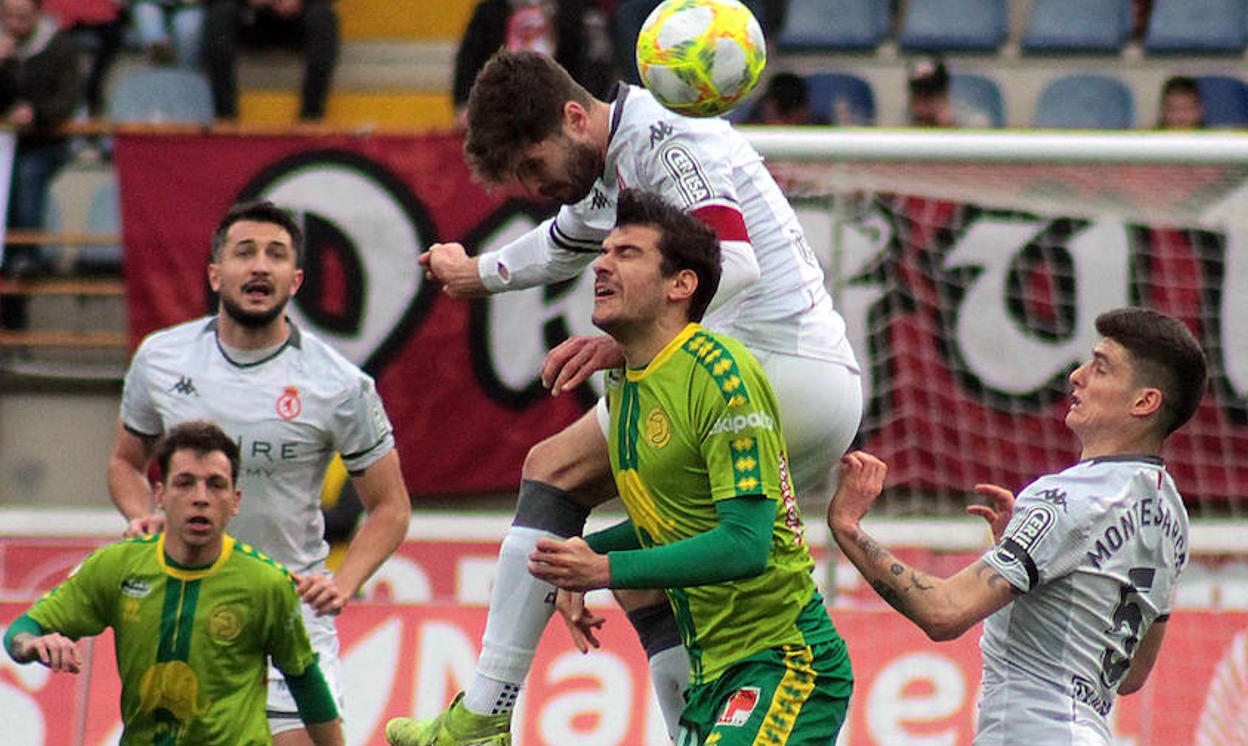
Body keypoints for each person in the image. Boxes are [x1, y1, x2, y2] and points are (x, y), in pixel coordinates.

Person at [388, 48, 863, 744]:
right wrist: (477, 273)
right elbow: (563, 241)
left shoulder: (663, 138)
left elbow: (733, 262)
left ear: (574, 118)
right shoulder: (613, 169)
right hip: (780, 373)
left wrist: (631, 341)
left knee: (551, 472)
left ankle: (484, 712)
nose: (534, 185)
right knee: (645, 569)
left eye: (533, 166)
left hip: (779, 366)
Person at [529, 189, 852, 745]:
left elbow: (745, 544)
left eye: (627, 253)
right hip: (714, 675)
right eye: (604, 250)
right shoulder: (628, 381)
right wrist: (580, 560)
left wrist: (603, 571)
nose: (602, 263)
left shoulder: (721, 374)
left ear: (681, 286)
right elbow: (676, 522)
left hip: (785, 662)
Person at [828, 306, 1207, 746]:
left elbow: (943, 613)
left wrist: (849, 527)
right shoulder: (1170, 514)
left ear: (1144, 402)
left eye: (1101, 368)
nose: (1077, 376)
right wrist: (1030, 558)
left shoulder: (1067, 499)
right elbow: (1131, 674)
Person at [107, 200, 411, 744]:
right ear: (215, 274)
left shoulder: (339, 385)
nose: (260, 267)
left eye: (275, 256)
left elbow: (391, 508)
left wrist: (342, 584)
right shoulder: (161, 359)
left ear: (295, 280)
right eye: (244, 252)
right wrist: (141, 515)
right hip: (184, 610)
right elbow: (126, 463)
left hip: (286, 614)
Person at [7, 420, 346, 746]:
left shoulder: (266, 583)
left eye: (215, 484)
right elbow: (22, 630)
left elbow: (304, 680)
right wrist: (31, 645)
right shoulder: (117, 567)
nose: (201, 497)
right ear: (161, 494)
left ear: (235, 501)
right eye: (185, 483)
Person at [0, 0, 82, 330]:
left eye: (23, 16)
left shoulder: (59, 47)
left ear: (37, 14)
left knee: (28, 176)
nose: (16, 24)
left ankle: (24, 254)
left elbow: (68, 99)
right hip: (4, 145)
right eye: (8, 16)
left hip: (44, 142)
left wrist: (37, 114)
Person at [452, 0, 614, 128]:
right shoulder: (488, 11)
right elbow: (467, 63)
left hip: (568, 112)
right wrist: (465, 104)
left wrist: (585, 107)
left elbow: (598, 63)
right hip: (503, 118)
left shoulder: (580, 6)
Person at [200, 0, 342, 121]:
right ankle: (226, 116)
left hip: (298, 16)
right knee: (220, 15)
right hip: (248, 16)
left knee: (324, 19)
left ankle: (311, 116)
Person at [118, 0, 204, 67]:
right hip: (145, 21)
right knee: (145, 9)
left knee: (189, 20)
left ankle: (186, 66)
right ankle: (160, 51)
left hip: (185, 13)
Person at [907, 55, 991, 129]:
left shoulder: (973, 122)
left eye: (929, 96)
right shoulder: (906, 124)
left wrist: (951, 130)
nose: (921, 106)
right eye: (917, 95)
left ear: (944, 94)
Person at [750, 71, 823, 126]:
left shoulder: (822, 136)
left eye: (791, 114)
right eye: (781, 112)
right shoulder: (748, 135)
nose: (786, 123)